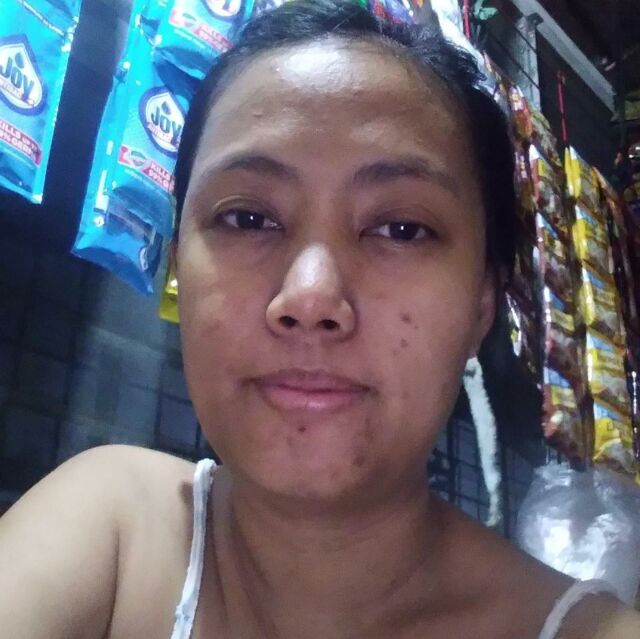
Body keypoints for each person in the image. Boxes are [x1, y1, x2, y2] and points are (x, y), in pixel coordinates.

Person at [2, 1, 640, 637]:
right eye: (248, 219)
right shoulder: (110, 530)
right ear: (177, 266)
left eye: (402, 228)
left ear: (481, 305)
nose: (309, 299)